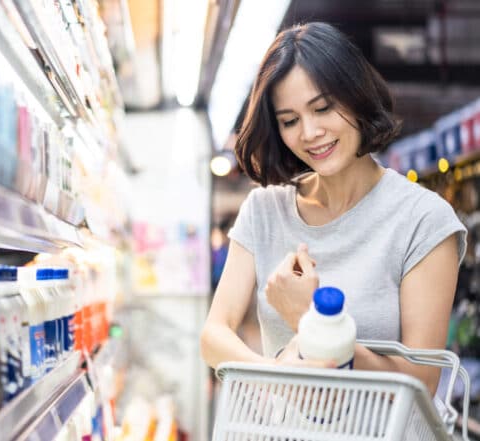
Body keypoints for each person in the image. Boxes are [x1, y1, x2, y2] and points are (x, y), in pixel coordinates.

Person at [199, 22, 467, 396]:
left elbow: (420, 380)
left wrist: (312, 323)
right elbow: (214, 335)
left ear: (355, 95)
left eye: (323, 108)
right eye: (290, 121)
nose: (309, 132)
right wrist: (277, 374)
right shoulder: (264, 211)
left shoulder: (423, 221)